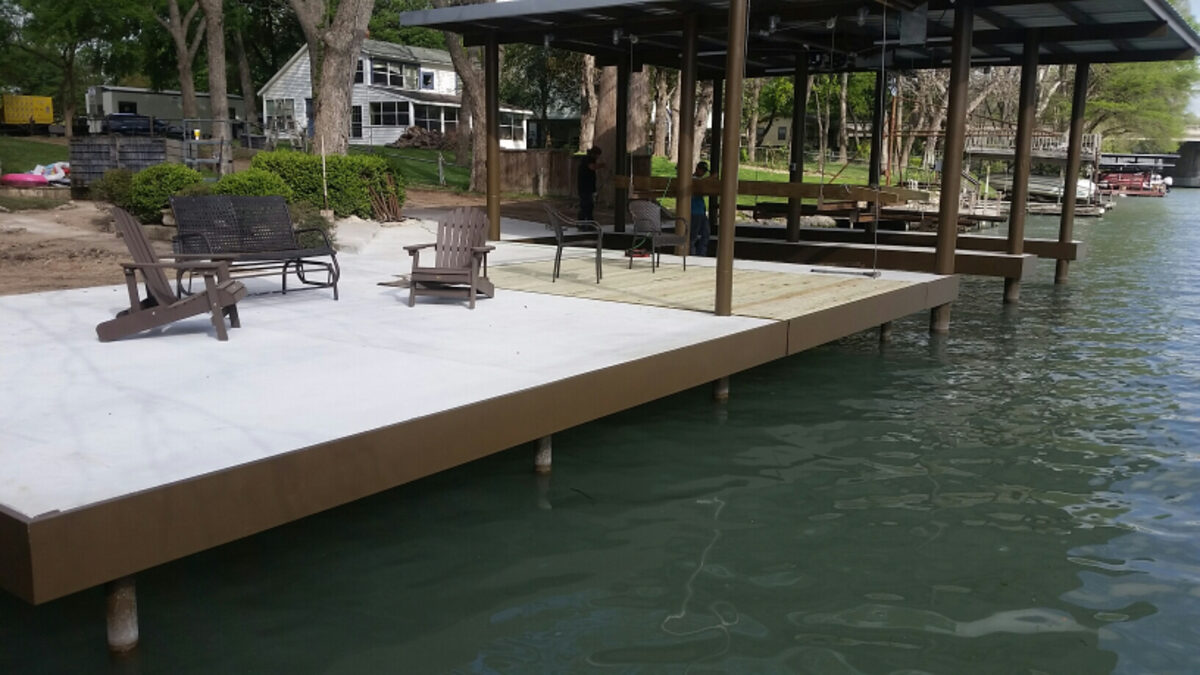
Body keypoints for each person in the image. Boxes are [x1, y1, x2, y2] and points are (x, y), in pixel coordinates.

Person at [577, 147, 605, 222]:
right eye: (598, 155)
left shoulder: (589, 159)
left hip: (588, 187)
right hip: (585, 187)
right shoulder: (588, 159)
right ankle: (582, 223)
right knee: (585, 205)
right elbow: (592, 167)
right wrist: (601, 165)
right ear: (594, 154)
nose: (598, 157)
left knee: (589, 206)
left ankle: (589, 222)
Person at [690, 161, 710, 256]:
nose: (703, 173)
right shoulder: (693, 179)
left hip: (701, 212)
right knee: (693, 236)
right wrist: (711, 178)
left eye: (705, 171)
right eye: (702, 170)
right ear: (697, 169)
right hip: (694, 212)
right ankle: (692, 254)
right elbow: (700, 184)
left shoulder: (701, 181)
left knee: (706, 234)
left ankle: (701, 254)